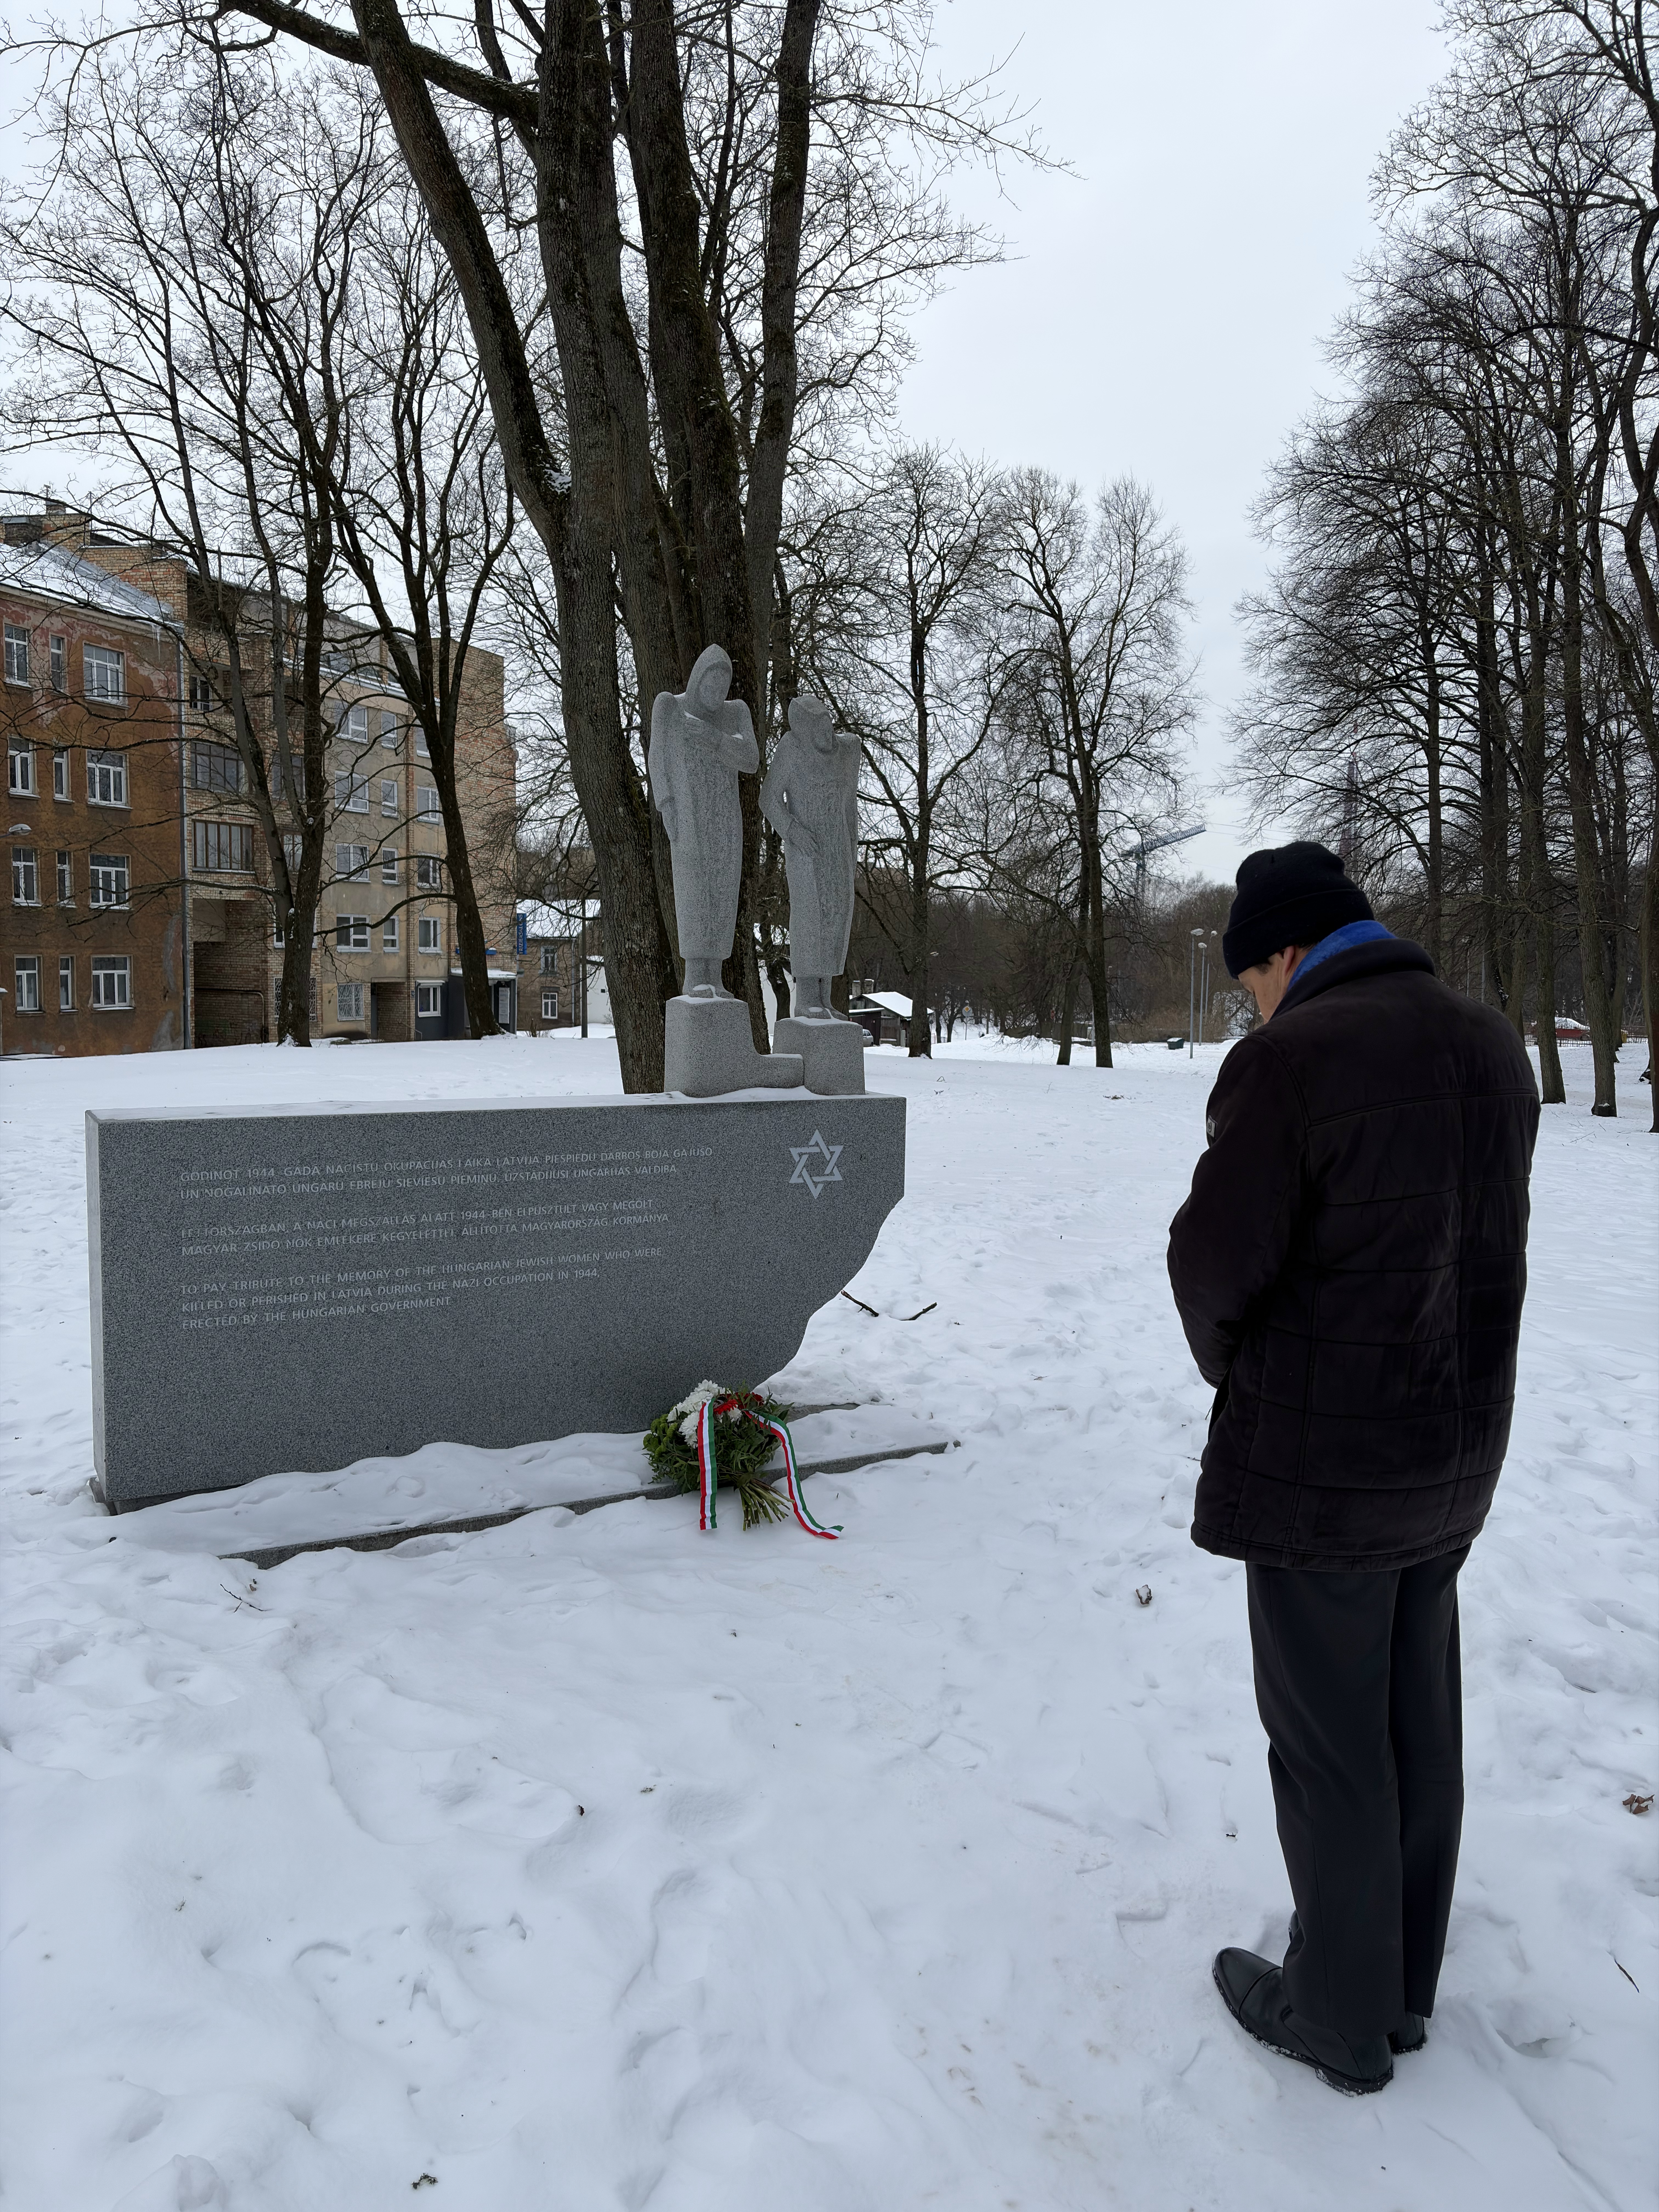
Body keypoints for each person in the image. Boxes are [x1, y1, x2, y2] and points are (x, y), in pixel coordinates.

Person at [1166, 841, 1539, 2095]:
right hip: (1453, 1450)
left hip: (1328, 1469)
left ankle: (1335, 2013)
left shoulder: (1290, 1063)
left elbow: (1213, 1267)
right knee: (1413, 1722)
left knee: (1328, 1741)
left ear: (1282, 953)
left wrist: (1240, 1370)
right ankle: (1398, 1987)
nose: (1251, 1006)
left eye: (1249, 981)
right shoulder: (1492, 1048)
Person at [648, 644, 758, 995]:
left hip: (725, 817)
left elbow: (751, 760)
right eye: (710, 686)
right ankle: (696, 975)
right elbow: (657, 759)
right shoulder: (670, 706)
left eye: (722, 688)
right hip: (689, 816)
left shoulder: (735, 713)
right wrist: (667, 805)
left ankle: (716, 975)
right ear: (698, 680)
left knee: (724, 892)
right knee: (695, 890)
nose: (716, 694)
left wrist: (714, 739)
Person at [758, 695, 859, 1018]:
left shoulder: (848, 751)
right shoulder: (792, 749)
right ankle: (806, 1000)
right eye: (815, 726)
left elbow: (849, 806)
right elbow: (769, 798)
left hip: (838, 848)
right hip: (805, 847)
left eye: (826, 722)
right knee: (810, 917)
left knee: (835, 917)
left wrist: (852, 848)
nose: (824, 731)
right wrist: (792, 830)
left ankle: (825, 1000)